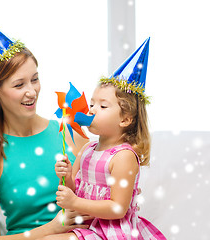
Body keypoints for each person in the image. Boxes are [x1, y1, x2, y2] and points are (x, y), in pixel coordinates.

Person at [0, 6, 92, 240]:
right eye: (18, 85)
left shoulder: (69, 133)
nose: (32, 92)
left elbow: (104, 192)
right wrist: (51, 229)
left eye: (35, 79)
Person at [40, 38, 167, 239]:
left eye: (102, 106)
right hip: (87, 227)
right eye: (92, 104)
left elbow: (118, 208)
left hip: (112, 232)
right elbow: (75, 190)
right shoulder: (88, 149)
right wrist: (66, 177)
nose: (91, 110)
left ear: (125, 119)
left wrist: (74, 203)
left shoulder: (123, 157)